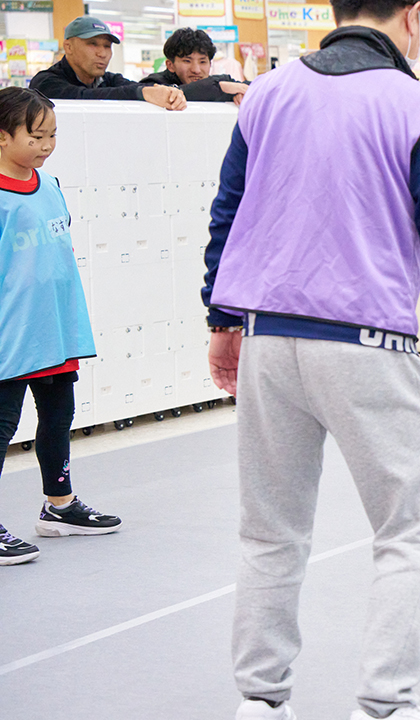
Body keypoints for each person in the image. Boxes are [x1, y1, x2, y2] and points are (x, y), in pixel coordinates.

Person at [200, 1, 420, 718]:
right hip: (367, 346)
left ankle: (261, 702)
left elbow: (228, 210)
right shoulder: (416, 105)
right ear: (414, 15)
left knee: (270, 532)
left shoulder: (267, 94)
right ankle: (388, 704)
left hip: (269, 340)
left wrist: (220, 317)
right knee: (408, 531)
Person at [0, 88, 122, 566]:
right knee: (3, 428)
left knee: (58, 418)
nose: (47, 144)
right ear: (3, 137)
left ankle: (60, 507)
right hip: (11, 335)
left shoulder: (48, 184)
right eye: (36, 136)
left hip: (53, 329)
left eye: (52, 135)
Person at [30, 16, 186, 111]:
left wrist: (168, 93)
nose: (102, 53)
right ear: (68, 47)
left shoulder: (110, 80)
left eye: (107, 46)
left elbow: (132, 87)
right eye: (93, 44)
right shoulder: (46, 82)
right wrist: (141, 93)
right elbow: (81, 97)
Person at [140, 28, 249, 105]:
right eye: (187, 61)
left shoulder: (222, 83)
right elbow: (171, 95)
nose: (196, 70)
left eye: (202, 62)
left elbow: (252, 87)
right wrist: (220, 88)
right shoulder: (153, 84)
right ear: (170, 65)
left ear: (210, 64)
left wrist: (239, 94)